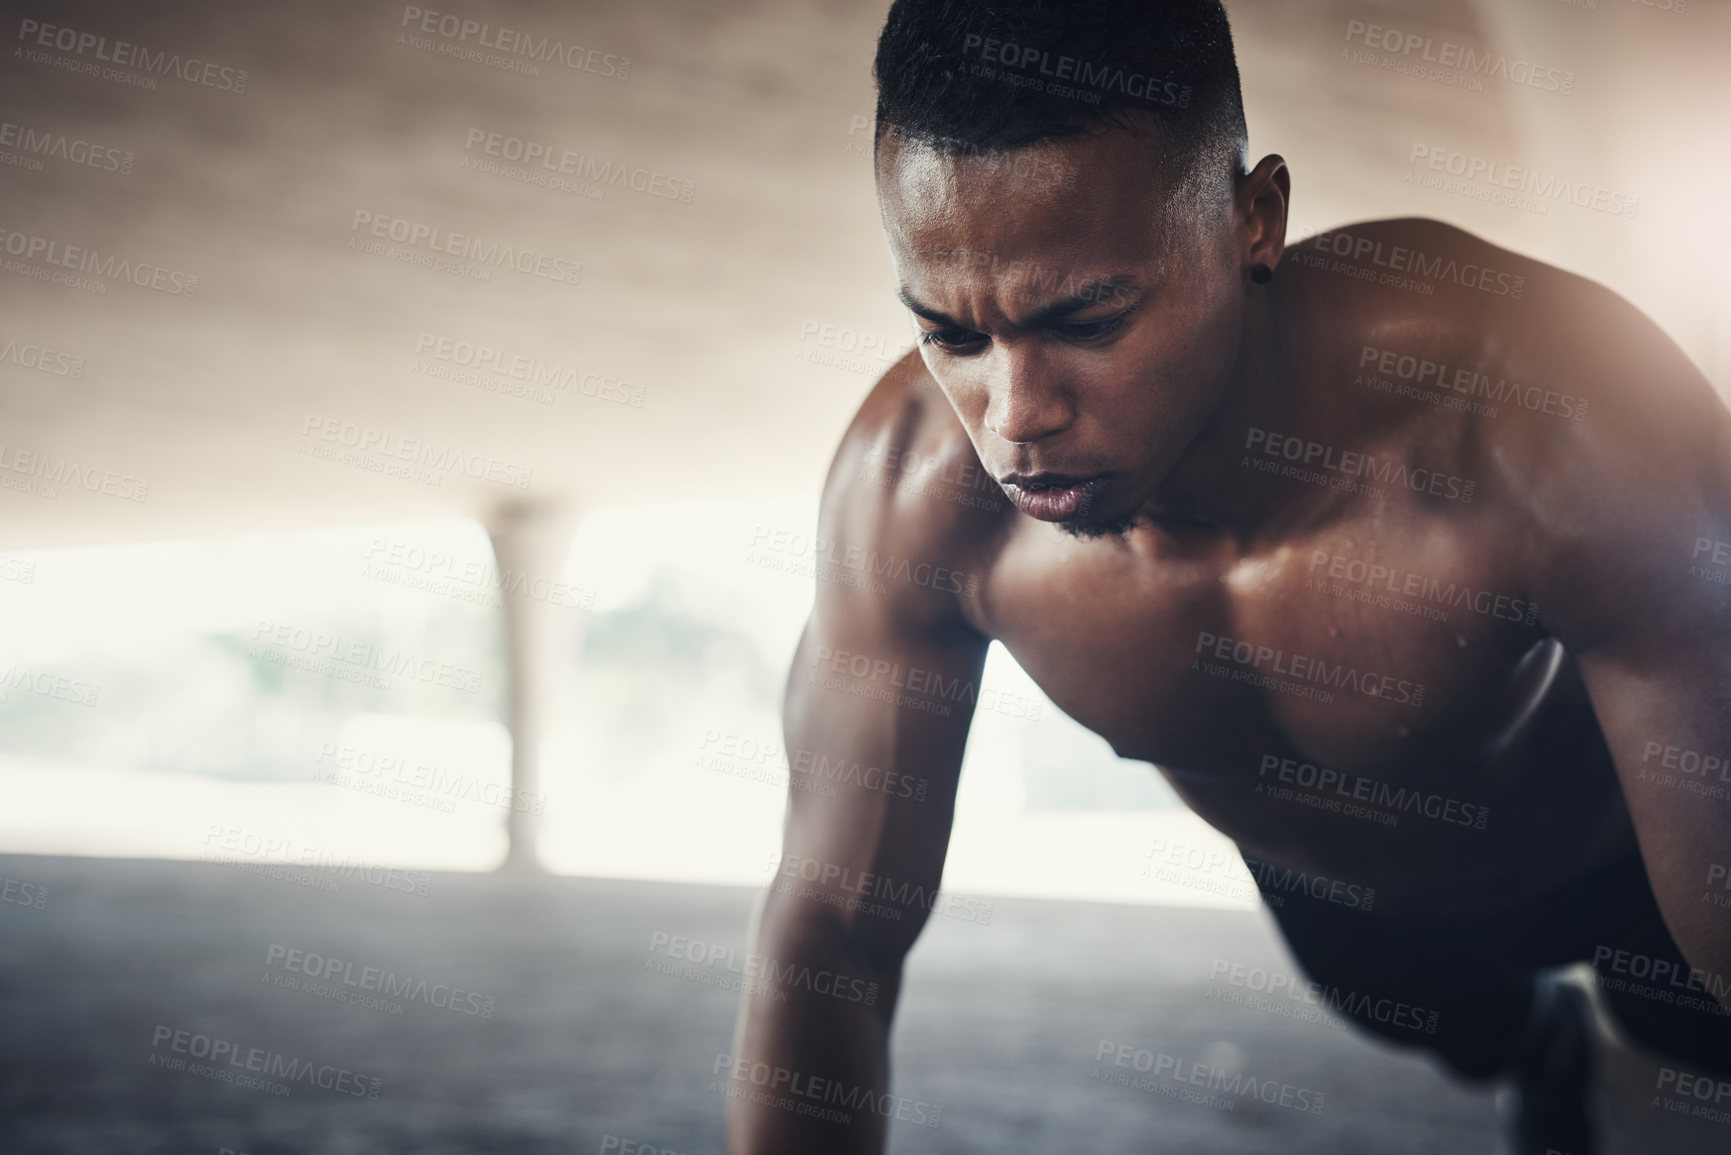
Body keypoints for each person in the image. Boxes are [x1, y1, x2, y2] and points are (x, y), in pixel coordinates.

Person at [726, 2, 1731, 1151]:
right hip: (1352, 916)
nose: (1015, 420)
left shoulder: (1540, 415)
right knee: (1458, 1031)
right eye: (952, 336)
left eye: (1090, 320)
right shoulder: (915, 492)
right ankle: (1540, 1053)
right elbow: (831, 936)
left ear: (1256, 220)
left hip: (1631, 874)